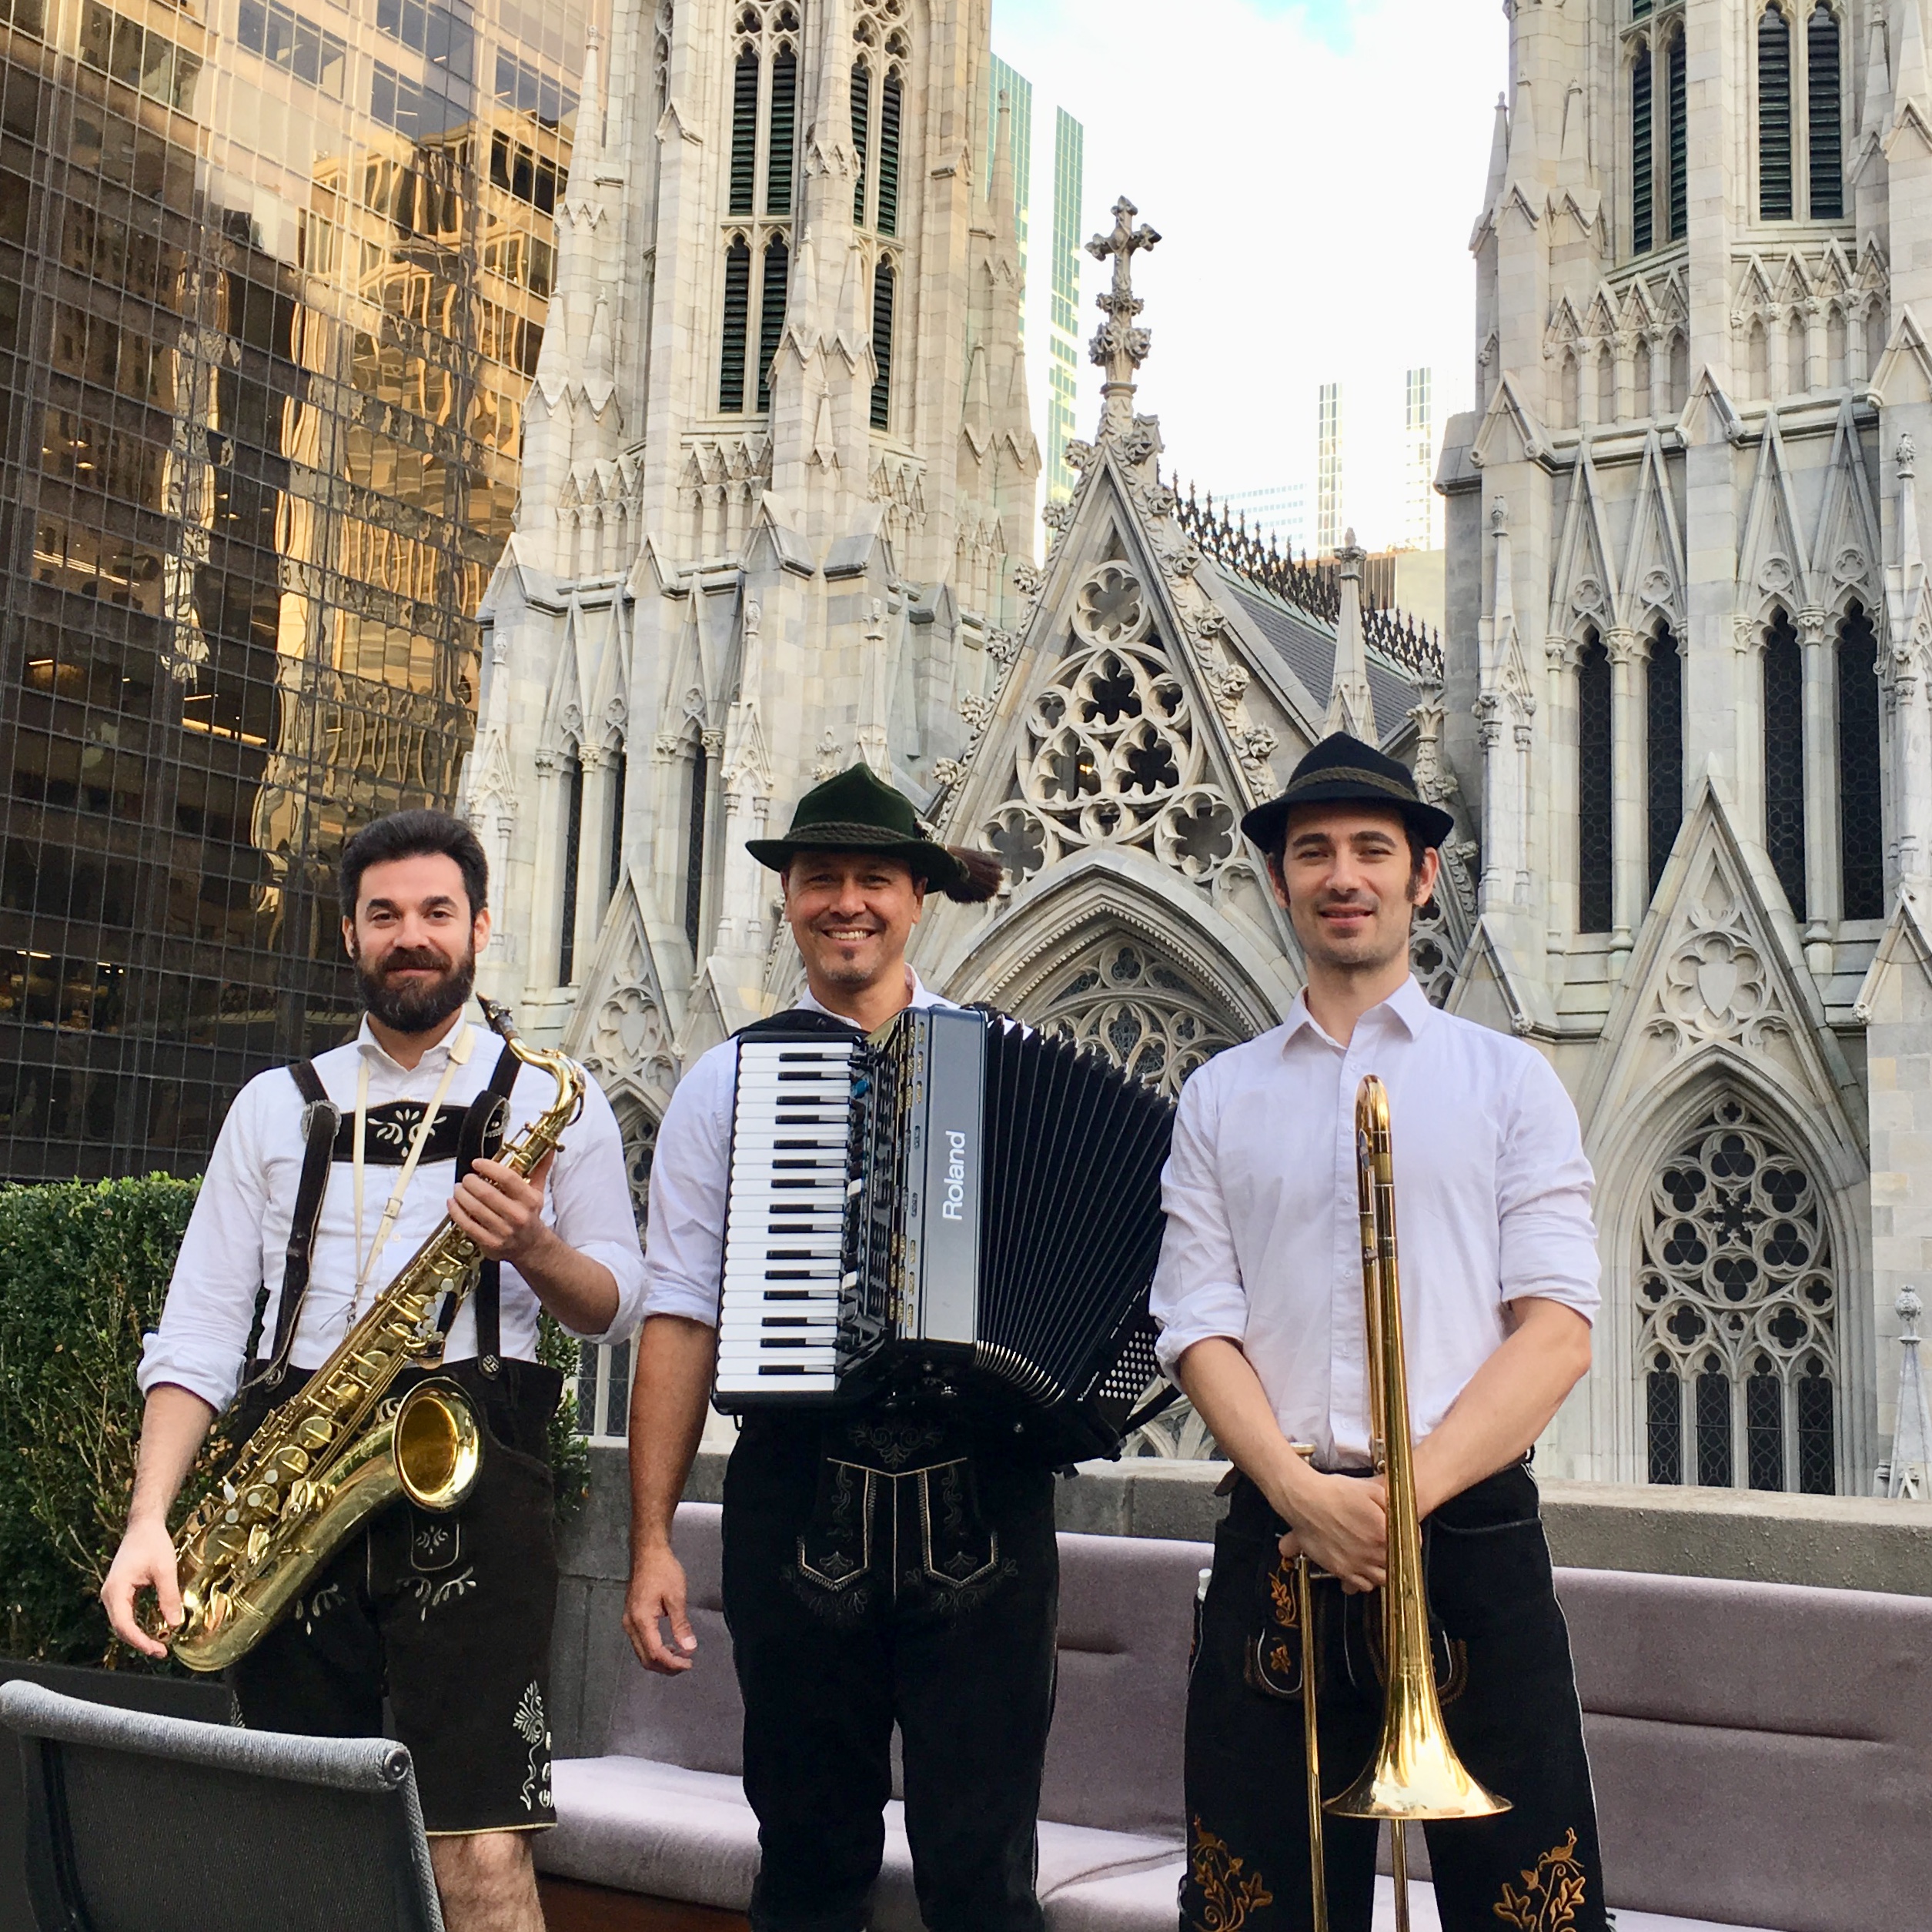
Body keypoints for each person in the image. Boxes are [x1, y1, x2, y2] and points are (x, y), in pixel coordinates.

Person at [102, 808, 647, 1932]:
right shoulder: (273, 1105)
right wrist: (149, 1515)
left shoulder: (552, 1101)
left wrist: (534, 1245)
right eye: (384, 914)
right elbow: (199, 1329)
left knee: (482, 1854)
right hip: (297, 1479)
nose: (412, 935)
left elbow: (614, 1306)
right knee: (302, 1849)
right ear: (349, 935)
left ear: (479, 927)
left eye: (436, 912)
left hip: (474, 1484)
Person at [1152, 734, 1609, 1932]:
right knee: (1253, 1910)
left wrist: (1395, 1499)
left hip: (1465, 1538)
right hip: (1282, 1541)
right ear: (1279, 879)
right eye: (1313, 852)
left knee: (1532, 1914)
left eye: (1370, 850)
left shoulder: (1509, 1081)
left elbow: (1557, 1331)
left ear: (1421, 879)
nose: (1341, 874)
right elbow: (1198, 1327)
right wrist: (1305, 1498)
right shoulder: (1218, 1095)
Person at [622, 762, 1061, 1932]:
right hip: (796, 1507)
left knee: (983, 1873)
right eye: (823, 879)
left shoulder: (1001, 1059)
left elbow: (1081, 1252)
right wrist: (652, 1538)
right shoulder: (725, 1082)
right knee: (808, 1862)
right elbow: (679, 1313)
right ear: (789, 899)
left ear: (917, 897)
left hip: (984, 1513)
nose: (847, 902)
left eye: (874, 878)